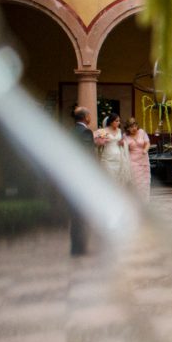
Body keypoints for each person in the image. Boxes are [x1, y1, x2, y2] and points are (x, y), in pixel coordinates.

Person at [69, 106, 93, 256]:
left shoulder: (71, 131)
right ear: (85, 117)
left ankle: (75, 247)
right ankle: (81, 247)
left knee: (75, 214)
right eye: (89, 115)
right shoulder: (86, 132)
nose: (90, 117)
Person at [95, 112, 131, 185]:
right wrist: (102, 141)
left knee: (118, 179)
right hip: (107, 158)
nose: (118, 123)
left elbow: (123, 141)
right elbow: (97, 141)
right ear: (111, 122)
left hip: (118, 158)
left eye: (119, 121)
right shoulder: (103, 131)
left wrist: (123, 143)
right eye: (116, 121)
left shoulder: (119, 130)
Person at [123, 117, 152, 201]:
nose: (134, 128)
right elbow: (124, 149)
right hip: (133, 161)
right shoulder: (125, 136)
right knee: (136, 182)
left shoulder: (142, 132)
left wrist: (145, 150)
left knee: (145, 182)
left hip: (144, 159)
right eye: (131, 127)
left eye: (135, 126)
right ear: (127, 128)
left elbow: (147, 143)